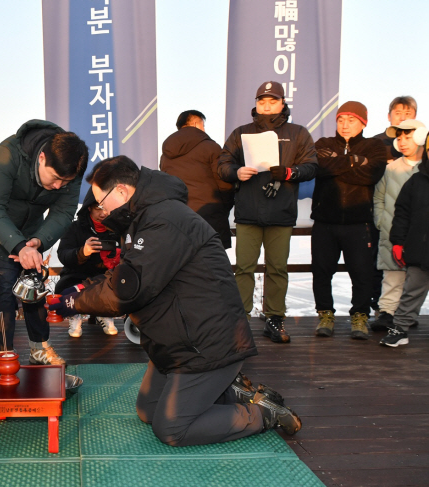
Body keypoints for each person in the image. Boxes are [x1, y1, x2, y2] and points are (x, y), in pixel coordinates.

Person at [48, 156, 301, 447]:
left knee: (172, 428)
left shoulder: (163, 220)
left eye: (101, 202)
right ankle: (231, 393)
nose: (101, 211)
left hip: (206, 343)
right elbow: (122, 276)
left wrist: (73, 304)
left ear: (120, 190)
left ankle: (262, 414)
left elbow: (126, 292)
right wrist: (74, 293)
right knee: (148, 412)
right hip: (176, 342)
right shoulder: (140, 219)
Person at [0, 120, 88, 365]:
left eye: (64, 183)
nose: (58, 186)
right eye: (55, 179)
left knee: (34, 285)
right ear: (42, 157)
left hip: (31, 229)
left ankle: (40, 348)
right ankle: (3, 353)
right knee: (3, 286)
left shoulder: (71, 166)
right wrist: (18, 246)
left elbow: (63, 213)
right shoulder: (8, 155)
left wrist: (38, 241)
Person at [217, 81, 317, 343]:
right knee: (244, 268)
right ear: (256, 104)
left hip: (281, 212)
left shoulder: (298, 133)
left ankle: (275, 318)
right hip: (248, 211)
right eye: (262, 101)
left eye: (272, 101)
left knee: (277, 268)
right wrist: (236, 172)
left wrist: (290, 173)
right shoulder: (241, 133)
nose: (267, 106)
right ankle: (240, 321)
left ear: (282, 103)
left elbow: (310, 165)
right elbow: (223, 163)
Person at [310, 102, 387, 339]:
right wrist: (355, 161)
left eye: (351, 120)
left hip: (358, 221)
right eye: (341, 119)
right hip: (325, 221)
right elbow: (319, 167)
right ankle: (325, 314)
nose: (345, 125)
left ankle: (360, 316)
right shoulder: (323, 144)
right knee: (322, 271)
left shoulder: (374, 146)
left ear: (363, 122)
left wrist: (339, 162)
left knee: (362, 273)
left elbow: (371, 175)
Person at [372, 120, 427, 332]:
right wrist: (381, 221)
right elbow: (379, 198)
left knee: (417, 276)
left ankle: (408, 314)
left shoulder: (425, 171)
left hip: (421, 235)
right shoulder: (390, 169)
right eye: (399, 138)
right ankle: (387, 312)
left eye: (408, 137)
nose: (402, 142)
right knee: (392, 275)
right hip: (392, 232)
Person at [160, 110, 234, 248]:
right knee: (212, 262)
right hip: (210, 216)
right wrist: (224, 207)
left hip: (178, 217)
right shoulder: (211, 147)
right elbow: (223, 182)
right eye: (203, 125)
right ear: (195, 124)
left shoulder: (166, 154)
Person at [56, 188, 120, 337]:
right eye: (98, 208)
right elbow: (63, 254)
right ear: (89, 207)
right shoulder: (75, 227)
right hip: (76, 276)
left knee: (118, 284)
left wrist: (117, 255)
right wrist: (82, 252)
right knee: (64, 287)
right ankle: (75, 316)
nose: (103, 214)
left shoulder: (118, 228)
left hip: (105, 277)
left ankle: (104, 314)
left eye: (106, 208)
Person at [382, 148, 429, 347]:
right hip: (420, 248)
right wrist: (398, 241)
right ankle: (400, 329)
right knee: (411, 290)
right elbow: (401, 212)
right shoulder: (416, 181)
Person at [373, 96, 418, 162]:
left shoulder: (421, 142)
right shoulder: (376, 142)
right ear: (389, 117)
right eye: (398, 113)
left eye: (407, 114)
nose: (402, 118)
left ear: (414, 117)